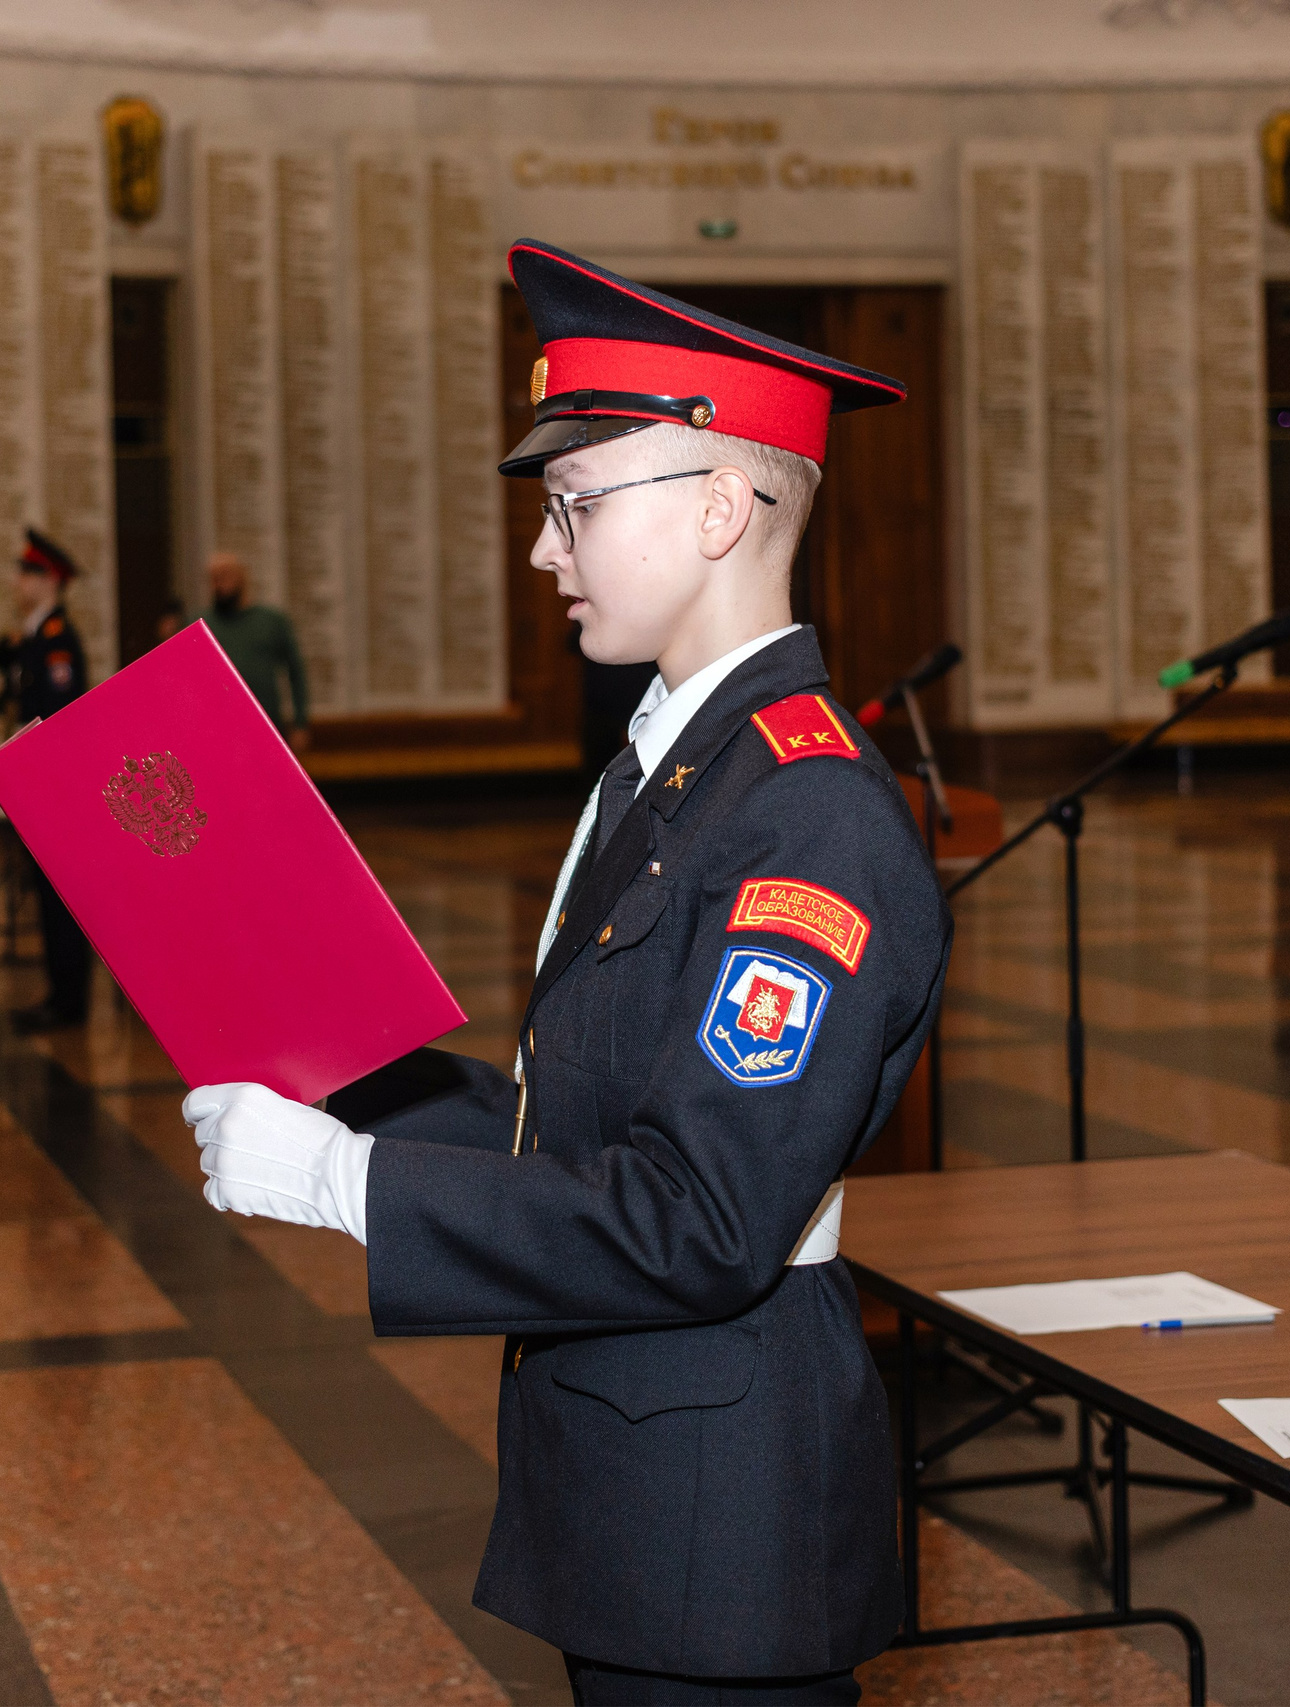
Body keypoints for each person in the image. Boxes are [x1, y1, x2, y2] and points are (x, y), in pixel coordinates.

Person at [182, 241, 950, 1702]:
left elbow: (699, 1216)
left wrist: (345, 1185)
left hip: (719, 1513)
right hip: (639, 1473)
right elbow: (579, 1125)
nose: (546, 550)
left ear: (723, 506)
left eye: (575, 506)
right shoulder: (676, 774)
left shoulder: (807, 813)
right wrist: (336, 1083)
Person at [0, 526, 93, 1034]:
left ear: (47, 580)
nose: (16, 580)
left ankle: (69, 999)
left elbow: (58, 715)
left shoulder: (57, 639)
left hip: (55, 790)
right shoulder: (34, 637)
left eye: (25, 572)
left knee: (60, 901)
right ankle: (60, 992)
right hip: (37, 786)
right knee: (48, 897)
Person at [198, 552, 312, 752]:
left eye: (225, 576)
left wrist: (300, 722)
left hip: (267, 727)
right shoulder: (200, 625)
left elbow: (296, 672)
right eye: (213, 579)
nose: (219, 585)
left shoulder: (271, 621)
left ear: (242, 577)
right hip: (216, 733)